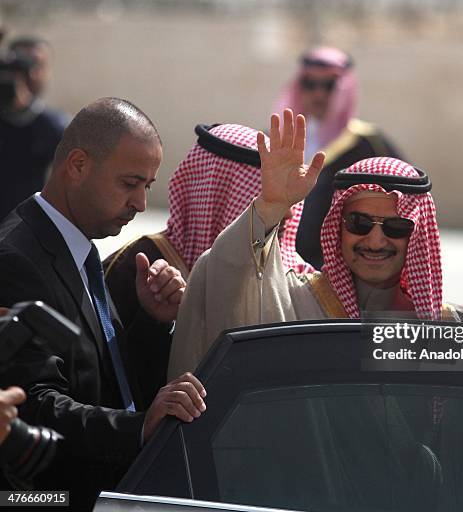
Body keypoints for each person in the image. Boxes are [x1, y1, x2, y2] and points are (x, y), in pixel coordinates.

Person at [168, 110, 463, 380]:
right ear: (337, 228)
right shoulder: (295, 301)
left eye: (395, 227)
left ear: (416, 235)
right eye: (359, 223)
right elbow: (225, 272)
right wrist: (271, 207)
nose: (375, 240)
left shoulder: (432, 327)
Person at [0, 97, 206, 511]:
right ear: (77, 165)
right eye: (129, 183)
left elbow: (103, 380)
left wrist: (150, 321)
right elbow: (34, 404)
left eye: (147, 187)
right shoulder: (17, 259)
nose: (141, 204)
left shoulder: (79, 248)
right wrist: (136, 429)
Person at [104, 123, 311, 407]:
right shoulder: (139, 263)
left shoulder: (299, 279)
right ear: (218, 193)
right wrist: (156, 321)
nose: (277, 219)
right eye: (265, 207)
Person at [275, 46, 403, 269]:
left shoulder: (369, 145)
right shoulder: (277, 141)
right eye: (309, 84)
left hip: (339, 270)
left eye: (329, 85)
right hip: (279, 265)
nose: (318, 94)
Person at [0, 36, 70, 221]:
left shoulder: (56, 127)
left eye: (36, 66)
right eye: (19, 66)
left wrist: (23, 108)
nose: (28, 75)